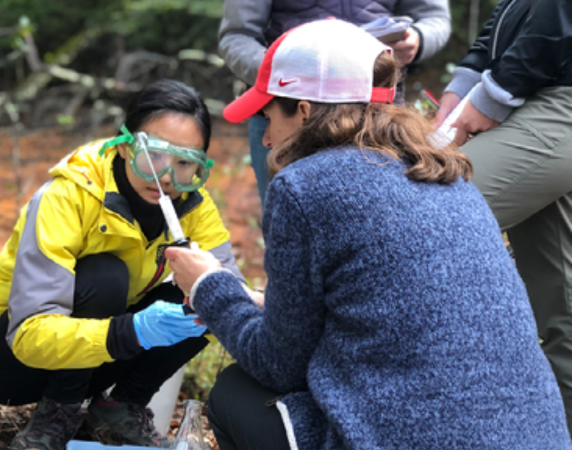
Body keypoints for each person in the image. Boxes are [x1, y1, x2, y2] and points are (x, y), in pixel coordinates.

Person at [166, 19, 572, 450]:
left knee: (236, 394)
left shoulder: (305, 185)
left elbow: (278, 364)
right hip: (536, 436)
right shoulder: (445, 172)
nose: (265, 138)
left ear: (303, 110)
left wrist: (211, 286)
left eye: (268, 116)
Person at [0, 79, 245, 450]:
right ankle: (58, 413)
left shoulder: (193, 204)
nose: (165, 176)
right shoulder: (69, 194)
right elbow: (29, 335)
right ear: (126, 146)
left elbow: (232, 298)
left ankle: (120, 405)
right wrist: (134, 331)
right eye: (154, 154)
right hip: (8, 356)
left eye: (183, 163)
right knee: (106, 274)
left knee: (210, 290)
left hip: (98, 351)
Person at [433, 0, 572, 435]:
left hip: (554, 96)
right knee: (561, 292)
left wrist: (491, 95)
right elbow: (513, 12)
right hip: (533, 91)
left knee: (425, 215)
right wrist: (467, 81)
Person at [219, 0, 451, 207]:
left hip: (377, 115)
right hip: (285, 111)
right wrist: (286, 70)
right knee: (286, 218)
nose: (266, 141)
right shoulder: (277, 128)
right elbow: (237, 36)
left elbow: (435, 19)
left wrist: (419, 38)